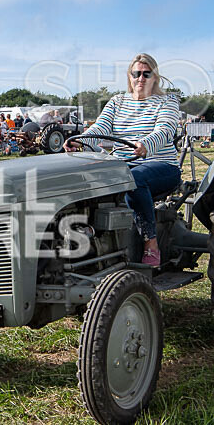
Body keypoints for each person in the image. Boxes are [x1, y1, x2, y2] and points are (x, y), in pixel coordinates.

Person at [64, 53, 180, 268]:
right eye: (137, 73)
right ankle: (90, 236)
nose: (141, 78)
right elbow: (100, 128)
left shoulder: (167, 101)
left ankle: (151, 245)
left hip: (160, 165)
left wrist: (147, 144)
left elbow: (165, 129)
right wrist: (80, 141)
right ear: (130, 76)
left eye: (147, 74)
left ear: (155, 77)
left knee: (133, 179)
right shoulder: (117, 102)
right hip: (122, 167)